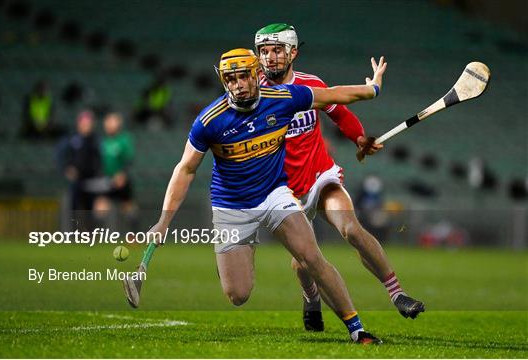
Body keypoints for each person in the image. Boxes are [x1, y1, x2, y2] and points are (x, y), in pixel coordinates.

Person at [123, 48, 387, 344]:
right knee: (238, 294)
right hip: (232, 206)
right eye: (230, 79)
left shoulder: (284, 99)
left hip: (274, 194)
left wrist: (372, 89)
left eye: (243, 77)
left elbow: (335, 96)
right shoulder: (210, 120)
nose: (238, 84)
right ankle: (242, 249)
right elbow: (185, 170)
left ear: (255, 74)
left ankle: (357, 330)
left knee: (312, 257)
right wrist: (164, 220)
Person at [254, 23, 424, 331]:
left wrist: (359, 139)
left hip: (320, 175)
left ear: (293, 52)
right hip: (282, 191)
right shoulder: (253, 94)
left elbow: (340, 112)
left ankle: (397, 293)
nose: (270, 58)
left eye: (277, 50)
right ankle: (311, 298)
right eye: (264, 51)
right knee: (305, 260)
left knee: (352, 229)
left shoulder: (310, 84)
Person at [56, 110, 101, 230]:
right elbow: (62, 156)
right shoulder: (72, 138)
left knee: (90, 208)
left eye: (88, 123)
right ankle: (74, 231)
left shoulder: (96, 140)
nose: (86, 126)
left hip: (92, 179)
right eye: (84, 123)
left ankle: (90, 233)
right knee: (75, 206)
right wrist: (67, 169)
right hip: (77, 180)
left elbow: (100, 159)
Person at [94, 112, 136, 230]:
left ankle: (134, 235)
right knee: (100, 206)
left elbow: (129, 158)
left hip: (121, 179)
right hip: (107, 179)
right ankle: (95, 235)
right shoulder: (103, 141)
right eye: (107, 122)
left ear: (118, 124)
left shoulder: (124, 139)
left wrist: (122, 174)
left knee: (128, 206)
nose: (109, 124)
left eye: (112, 121)